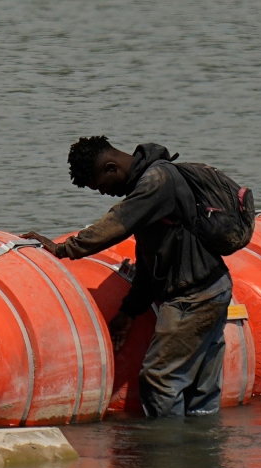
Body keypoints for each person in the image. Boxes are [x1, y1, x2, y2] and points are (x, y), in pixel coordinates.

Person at [23, 136, 232, 418]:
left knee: (160, 381)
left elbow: (116, 223)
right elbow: (150, 262)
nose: (103, 194)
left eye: (101, 186)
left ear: (112, 167)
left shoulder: (156, 181)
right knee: (200, 388)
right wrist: (130, 311)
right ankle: (200, 453)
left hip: (192, 298)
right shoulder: (156, 184)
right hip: (213, 288)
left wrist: (63, 248)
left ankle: (167, 455)